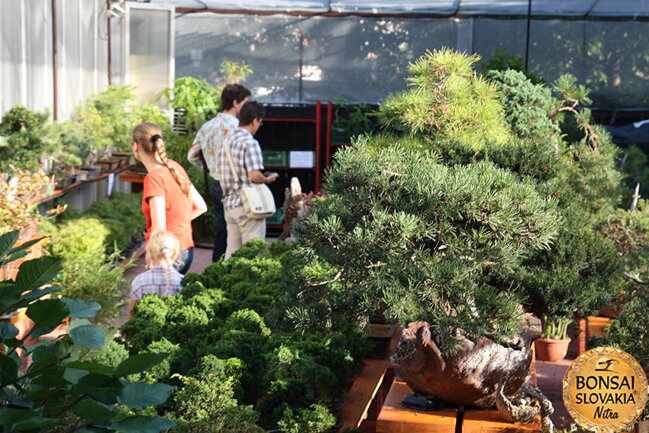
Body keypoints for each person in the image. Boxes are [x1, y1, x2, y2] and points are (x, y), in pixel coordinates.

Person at [132, 122, 207, 274]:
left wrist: (151, 256)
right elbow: (201, 207)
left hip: (167, 253)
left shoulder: (154, 178)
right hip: (185, 249)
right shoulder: (173, 166)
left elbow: (159, 228)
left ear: (136, 146)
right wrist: (178, 225)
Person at [188, 84, 251, 262]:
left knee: (221, 230)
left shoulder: (208, 126)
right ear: (235, 102)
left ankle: (217, 268)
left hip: (217, 183)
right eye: (245, 103)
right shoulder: (240, 127)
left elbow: (192, 155)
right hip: (238, 185)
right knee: (241, 232)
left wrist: (210, 169)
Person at [216, 101, 278, 259]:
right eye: (260, 122)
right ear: (255, 120)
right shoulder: (250, 142)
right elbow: (253, 175)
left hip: (229, 206)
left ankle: (226, 283)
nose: (259, 125)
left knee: (232, 254)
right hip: (248, 207)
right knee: (254, 255)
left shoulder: (226, 142)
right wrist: (267, 179)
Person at [128, 231, 183, 318]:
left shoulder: (140, 281)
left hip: (145, 329)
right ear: (176, 254)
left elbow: (132, 313)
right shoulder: (181, 281)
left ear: (149, 253)